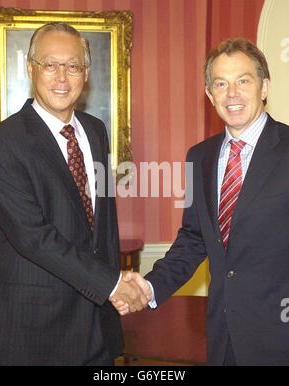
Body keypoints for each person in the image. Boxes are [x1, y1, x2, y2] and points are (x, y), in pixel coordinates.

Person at [114, 38, 289, 366]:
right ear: (210, 95)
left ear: (264, 87)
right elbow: (193, 240)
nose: (232, 93)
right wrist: (149, 288)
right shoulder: (200, 157)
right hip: (222, 338)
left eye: (243, 80)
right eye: (221, 84)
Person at [0, 22, 149, 366]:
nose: (62, 77)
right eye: (50, 65)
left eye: (73, 66)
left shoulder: (95, 130)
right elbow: (32, 237)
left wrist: (112, 292)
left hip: (96, 323)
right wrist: (112, 283)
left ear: (86, 73)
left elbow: (103, 225)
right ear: (31, 69)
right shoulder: (1, 142)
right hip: (33, 330)